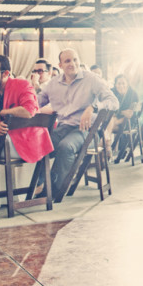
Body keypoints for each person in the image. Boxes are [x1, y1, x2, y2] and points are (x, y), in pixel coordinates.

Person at [37, 48, 118, 197]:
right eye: (67, 61)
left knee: (65, 147)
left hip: (87, 131)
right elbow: (36, 102)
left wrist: (93, 107)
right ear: (60, 65)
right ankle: (41, 183)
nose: (72, 64)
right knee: (40, 143)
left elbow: (113, 102)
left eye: (75, 60)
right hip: (62, 127)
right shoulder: (53, 84)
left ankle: (55, 189)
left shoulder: (91, 79)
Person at [0, 55, 53, 163]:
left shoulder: (22, 85)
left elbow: (29, 111)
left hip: (27, 143)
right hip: (7, 139)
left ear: (6, 73)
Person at [110, 74, 139, 163]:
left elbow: (130, 114)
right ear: (115, 84)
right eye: (118, 83)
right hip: (113, 121)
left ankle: (105, 148)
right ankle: (108, 147)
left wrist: (118, 113)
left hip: (129, 122)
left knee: (103, 128)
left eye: (123, 83)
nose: (121, 85)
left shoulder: (133, 94)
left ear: (127, 84)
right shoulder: (111, 92)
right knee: (108, 123)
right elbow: (109, 109)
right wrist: (122, 112)